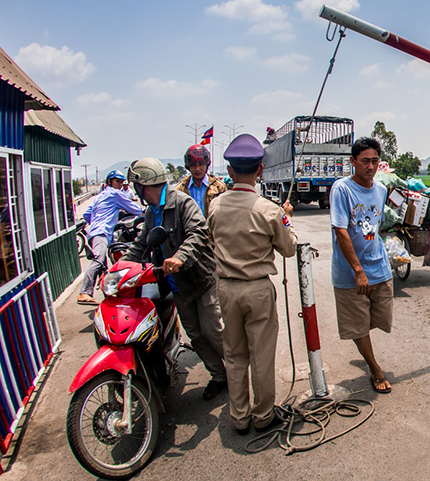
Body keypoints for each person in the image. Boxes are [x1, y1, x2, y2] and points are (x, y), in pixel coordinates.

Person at [207, 134, 297, 435]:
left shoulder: (216, 207)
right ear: (260, 170)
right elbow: (289, 248)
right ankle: (262, 416)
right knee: (261, 355)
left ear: (230, 171)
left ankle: (240, 417)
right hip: (257, 289)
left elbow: (211, 243)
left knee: (234, 355)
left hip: (226, 288)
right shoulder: (269, 210)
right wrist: (288, 220)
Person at [123, 157, 228, 401]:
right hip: (176, 286)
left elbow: (199, 233)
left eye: (137, 187)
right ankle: (219, 376)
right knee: (196, 335)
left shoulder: (182, 202)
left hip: (200, 278)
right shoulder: (151, 212)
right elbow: (140, 244)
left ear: (144, 185)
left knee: (214, 331)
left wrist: (180, 257)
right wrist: (121, 267)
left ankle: (239, 374)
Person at [330, 136, 394, 394]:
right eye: (365, 161)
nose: (370, 166)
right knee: (357, 321)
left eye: (375, 161)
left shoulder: (380, 190)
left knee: (379, 317)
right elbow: (341, 231)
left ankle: (361, 338)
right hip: (351, 271)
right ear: (353, 161)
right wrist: (358, 271)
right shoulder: (341, 189)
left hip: (379, 266)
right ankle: (374, 368)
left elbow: (375, 227)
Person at [77, 169, 145, 305]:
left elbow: (86, 214)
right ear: (109, 182)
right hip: (102, 232)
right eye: (117, 182)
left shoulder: (99, 196)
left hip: (94, 232)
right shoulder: (115, 195)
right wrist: (147, 213)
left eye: (121, 182)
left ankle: (108, 297)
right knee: (98, 260)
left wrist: (97, 221)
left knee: (105, 266)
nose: (120, 185)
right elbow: (135, 209)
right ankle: (84, 292)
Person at [177, 144, 228, 216]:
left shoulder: (219, 187)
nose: (197, 169)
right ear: (188, 167)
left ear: (207, 164)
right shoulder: (180, 189)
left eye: (200, 165)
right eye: (193, 165)